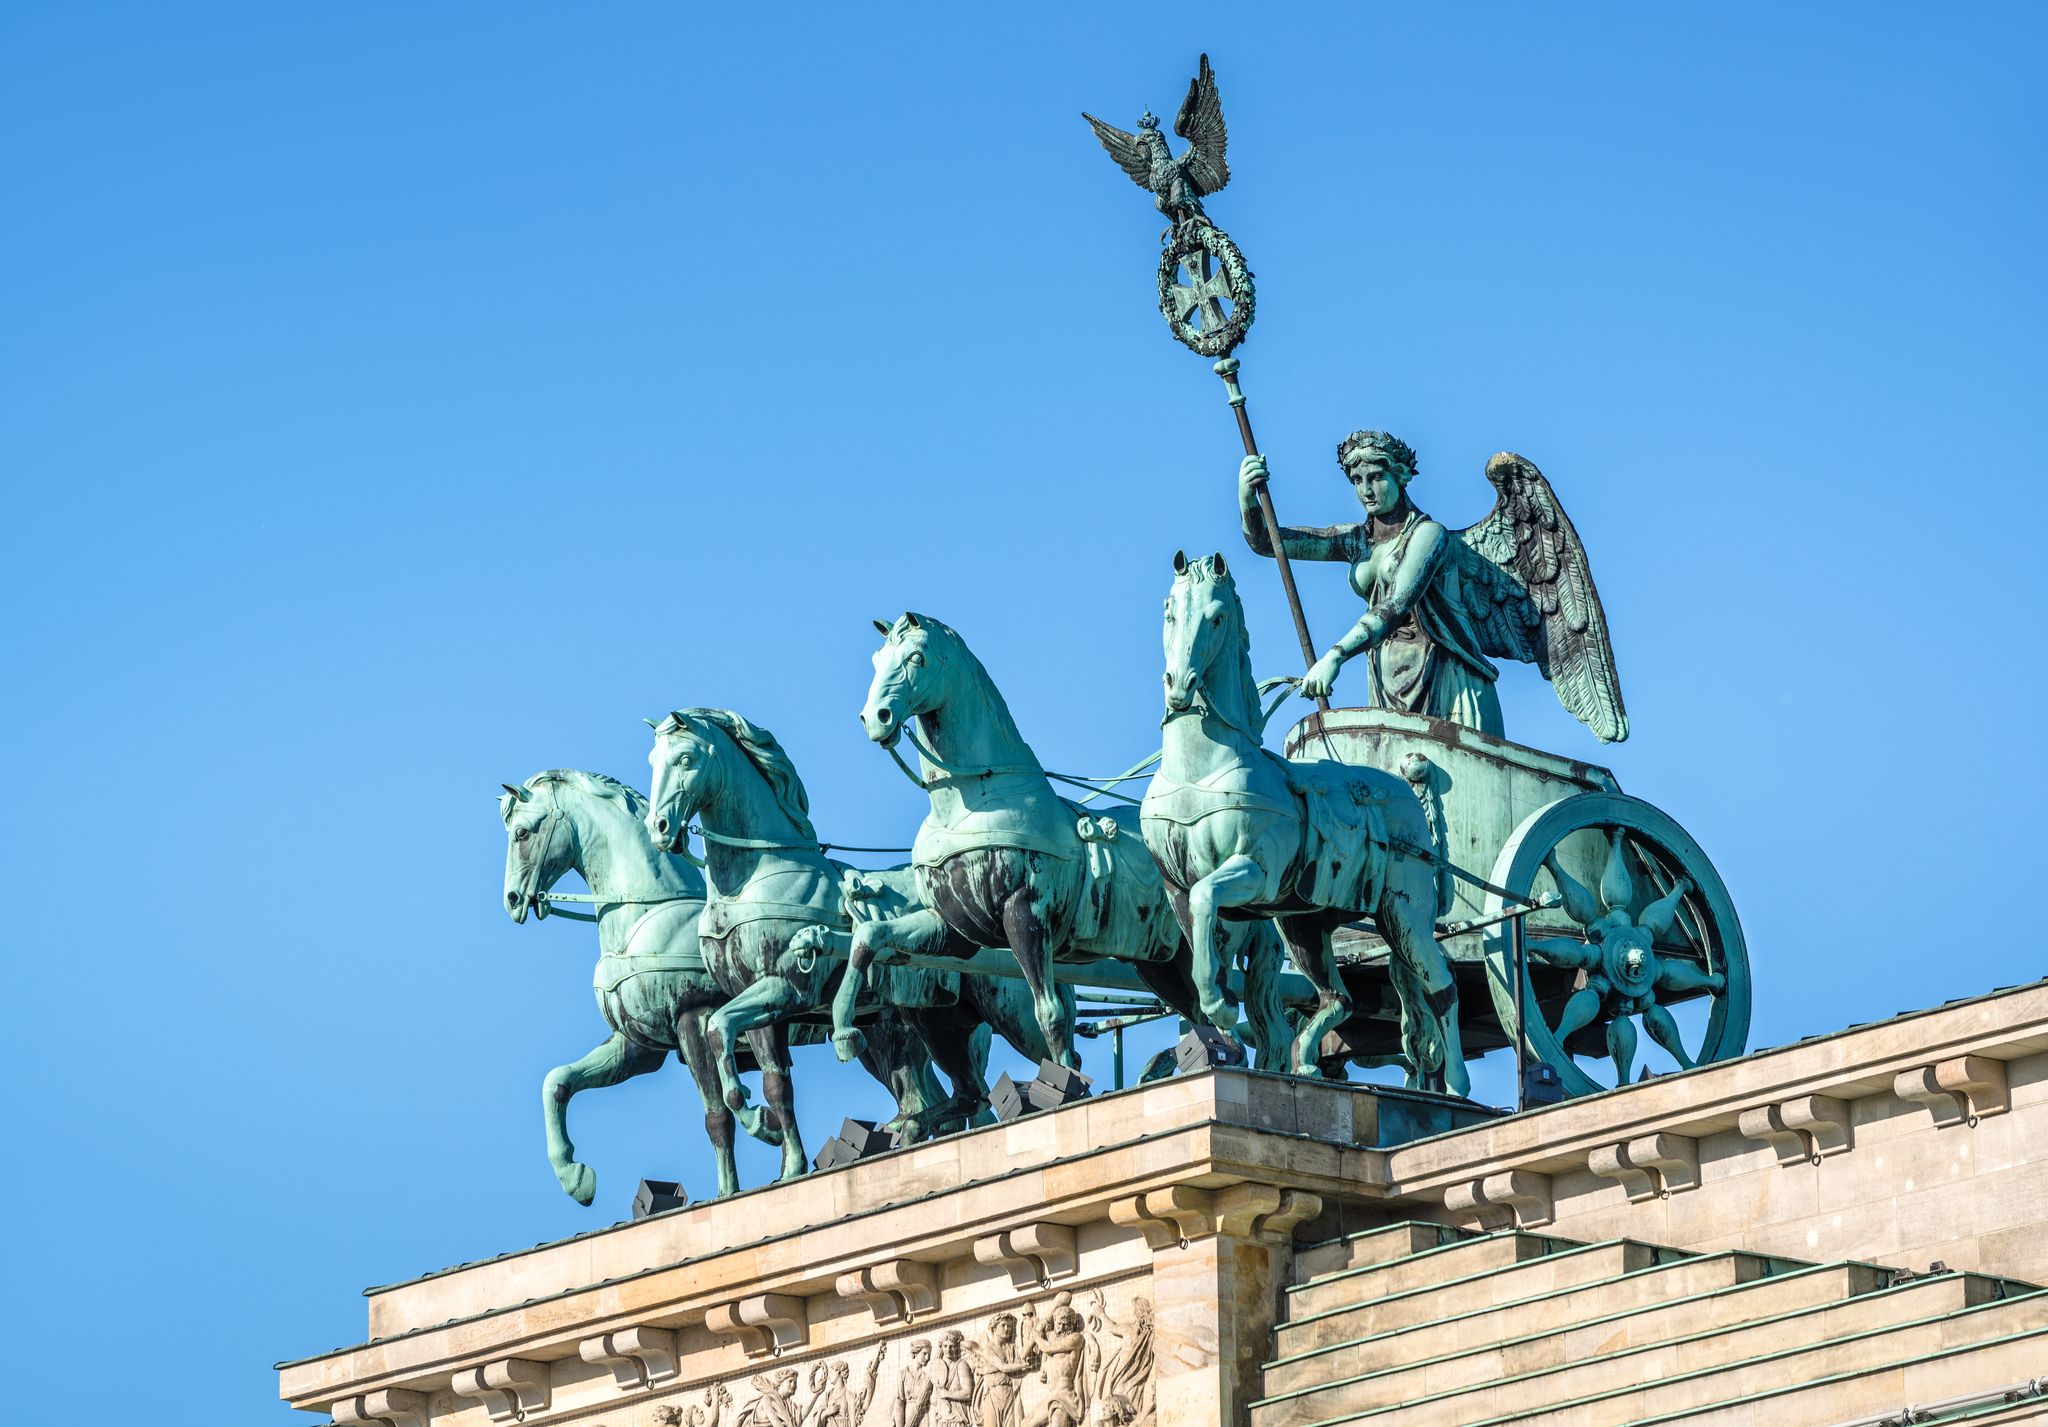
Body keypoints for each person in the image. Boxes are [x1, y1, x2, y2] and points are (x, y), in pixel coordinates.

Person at [1239, 434, 1503, 732]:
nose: (1366, 490)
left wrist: (1334, 656)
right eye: (1356, 480)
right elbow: (1268, 542)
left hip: (1446, 678)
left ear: (1400, 475)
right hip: (1384, 676)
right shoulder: (1356, 541)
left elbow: (1396, 604)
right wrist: (1247, 494)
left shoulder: (1429, 535)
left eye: (1376, 477)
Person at [930, 1330, 976, 1427]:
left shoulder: (961, 1365)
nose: (948, 1350)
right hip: (942, 1419)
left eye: (952, 1346)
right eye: (945, 1346)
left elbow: (967, 1393)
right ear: (941, 1347)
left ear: (957, 1347)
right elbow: (933, 1399)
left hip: (957, 1418)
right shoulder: (938, 1366)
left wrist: (946, 1394)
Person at [892, 1339, 935, 1427]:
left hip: (923, 1416)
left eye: (929, 1355)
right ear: (915, 1353)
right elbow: (899, 1404)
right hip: (908, 1415)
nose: (928, 1358)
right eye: (924, 1354)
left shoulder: (928, 1377)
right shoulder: (902, 1374)